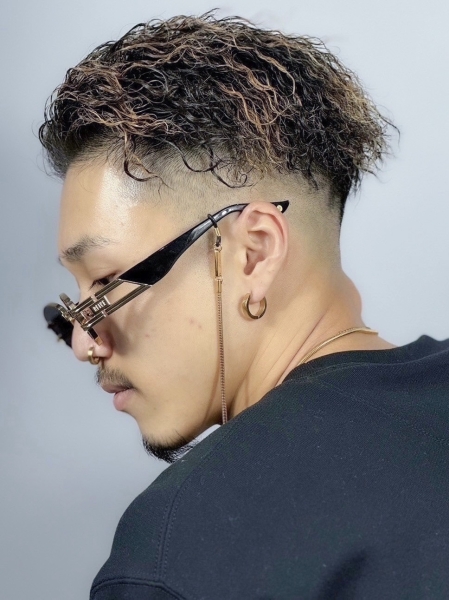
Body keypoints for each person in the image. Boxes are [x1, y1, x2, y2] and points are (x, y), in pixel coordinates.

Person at [39, 13, 449, 600]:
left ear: (253, 253)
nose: (85, 343)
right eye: (73, 303)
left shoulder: (182, 546)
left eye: (106, 282)